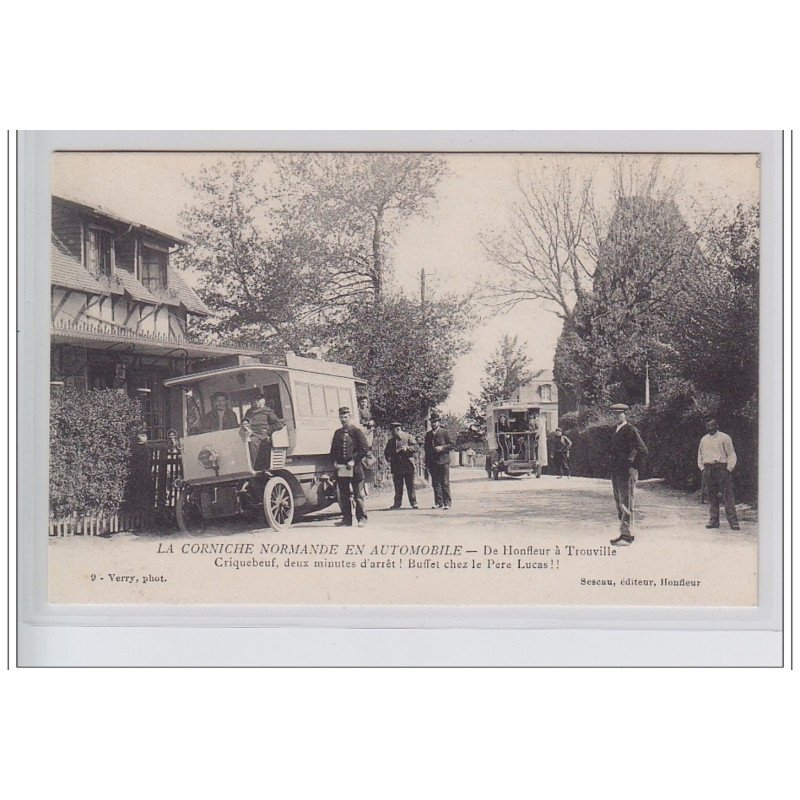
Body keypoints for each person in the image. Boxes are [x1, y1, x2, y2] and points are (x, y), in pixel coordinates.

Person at [607, 403, 648, 546]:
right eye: (614, 414)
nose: (617, 416)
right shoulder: (616, 430)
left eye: (619, 414)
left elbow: (643, 450)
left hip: (626, 471)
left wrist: (633, 466)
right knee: (619, 503)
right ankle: (625, 532)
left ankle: (627, 535)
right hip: (616, 471)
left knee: (626, 503)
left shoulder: (630, 429)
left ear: (625, 414)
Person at [697, 417, 740, 530]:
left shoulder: (724, 438)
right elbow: (700, 455)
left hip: (722, 469)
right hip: (708, 469)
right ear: (705, 427)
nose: (710, 428)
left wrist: (728, 469)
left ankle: (733, 521)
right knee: (711, 496)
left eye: (712, 425)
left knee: (728, 496)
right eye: (708, 426)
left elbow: (731, 454)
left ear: (717, 425)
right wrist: (702, 469)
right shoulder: (704, 439)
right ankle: (714, 520)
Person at [330, 406, 369, 527]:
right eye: (341, 417)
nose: (343, 419)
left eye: (345, 417)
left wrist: (354, 460)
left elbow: (364, 449)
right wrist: (335, 462)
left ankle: (361, 518)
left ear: (350, 417)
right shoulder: (337, 433)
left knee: (358, 495)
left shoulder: (356, 431)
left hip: (355, 468)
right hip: (342, 470)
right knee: (344, 495)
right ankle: (346, 519)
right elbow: (333, 450)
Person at [243, 391, 284, 471]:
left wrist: (267, 431)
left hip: (261, 435)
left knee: (252, 442)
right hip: (249, 433)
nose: (256, 402)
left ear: (263, 401)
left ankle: (253, 468)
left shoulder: (268, 412)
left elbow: (279, 425)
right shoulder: (249, 412)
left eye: (259, 400)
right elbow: (245, 421)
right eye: (254, 400)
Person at [384, 422, 419, 509]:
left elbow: (416, 448)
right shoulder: (391, 441)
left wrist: (407, 448)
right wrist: (388, 458)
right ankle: (397, 504)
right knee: (398, 486)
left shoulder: (408, 437)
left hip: (408, 465)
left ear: (398, 429)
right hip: (396, 467)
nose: (391, 432)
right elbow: (386, 452)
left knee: (410, 485)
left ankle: (413, 502)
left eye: (393, 430)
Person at [424, 412, 453, 509]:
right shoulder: (428, 435)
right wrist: (427, 463)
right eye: (432, 422)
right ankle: (438, 502)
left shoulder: (445, 432)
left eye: (435, 422)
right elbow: (426, 449)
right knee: (435, 483)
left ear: (439, 422)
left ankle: (447, 503)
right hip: (433, 462)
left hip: (443, 461)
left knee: (445, 482)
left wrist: (442, 447)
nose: (433, 424)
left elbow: (451, 445)